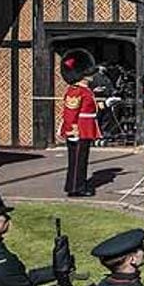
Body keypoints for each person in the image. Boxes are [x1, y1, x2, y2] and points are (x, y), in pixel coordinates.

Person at [58, 55, 100, 196]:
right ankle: (76, 188)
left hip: (85, 128)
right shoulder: (77, 91)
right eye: (89, 73)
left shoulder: (84, 90)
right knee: (77, 161)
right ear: (83, 75)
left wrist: (105, 104)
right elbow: (70, 114)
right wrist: (72, 130)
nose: (93, 75)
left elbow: (88, 109)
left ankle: (75, 185)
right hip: (79, 130)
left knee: (81, 159)